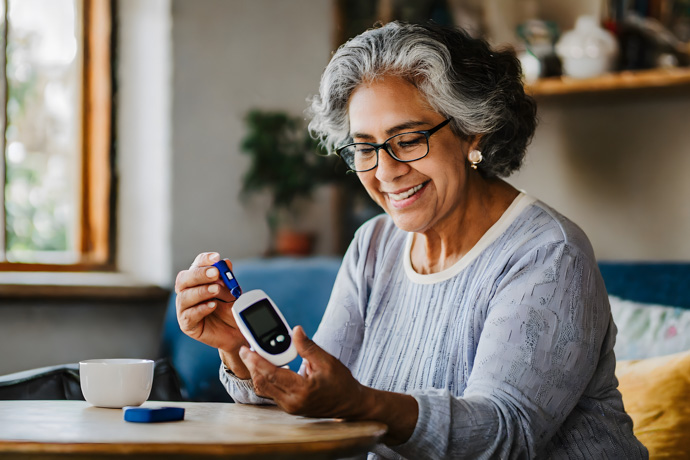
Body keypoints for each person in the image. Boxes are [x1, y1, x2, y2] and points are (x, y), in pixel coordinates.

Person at [174, 22, 648, 459]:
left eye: (408, 139)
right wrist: (238, 350)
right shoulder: (373, 244)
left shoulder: (547, 253)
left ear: (471, 130)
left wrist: (361, 402)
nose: (385, 171)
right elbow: (316, 402)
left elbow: (506, 435)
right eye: (365, 147)